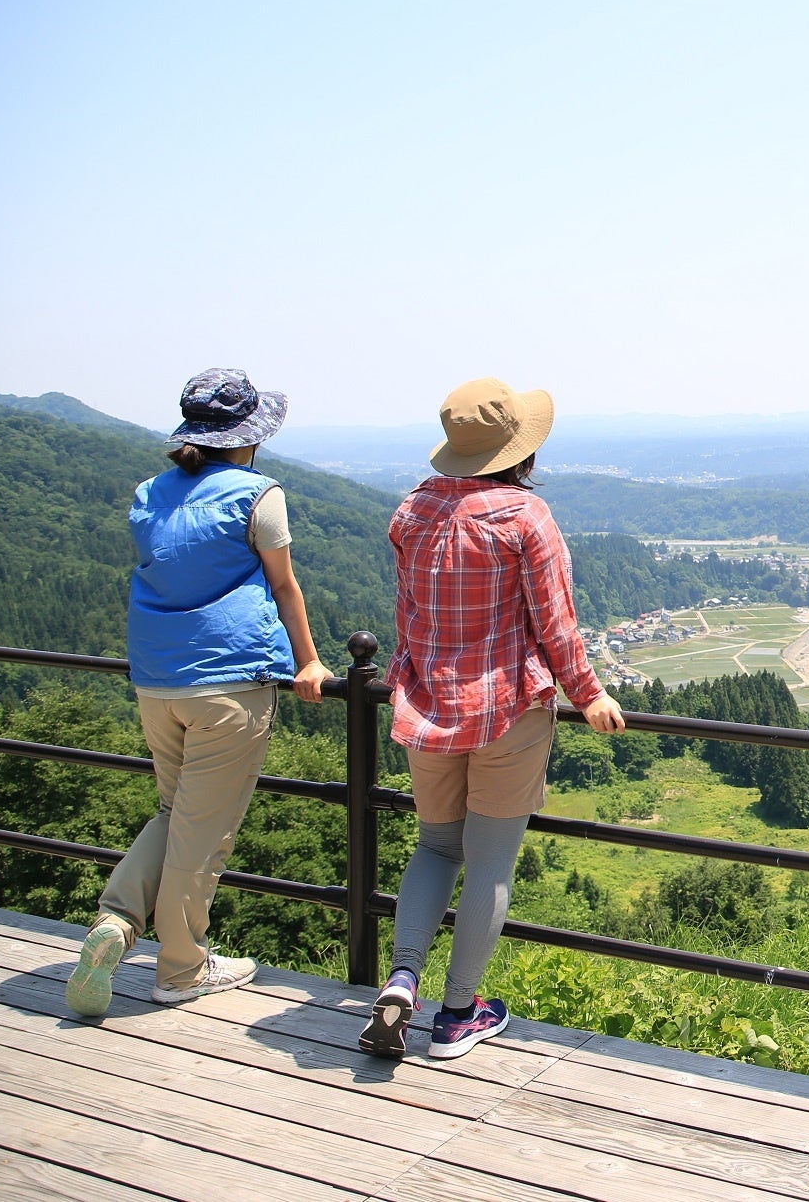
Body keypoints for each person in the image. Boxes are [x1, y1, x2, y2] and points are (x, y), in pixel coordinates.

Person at [360, 376, 624, 1061]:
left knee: (433, 847)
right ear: (521, 451)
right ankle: (456, 1015)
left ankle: (401, 979)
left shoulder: (410, 511)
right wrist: (589, 692)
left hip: (426, 707)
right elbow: (557, 624)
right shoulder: (522, 517)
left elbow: (409, 615)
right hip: (507, 709)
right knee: (489, 864)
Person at [65, 368, 332, 1017]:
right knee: (204, 831)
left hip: (156, 679)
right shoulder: (258, 494)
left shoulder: (148, 492)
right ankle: (182, 967)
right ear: (250, 437)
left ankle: (117, 920)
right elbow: (285, 585)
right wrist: (310, 661)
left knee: (175, 809)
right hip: (230, 683)